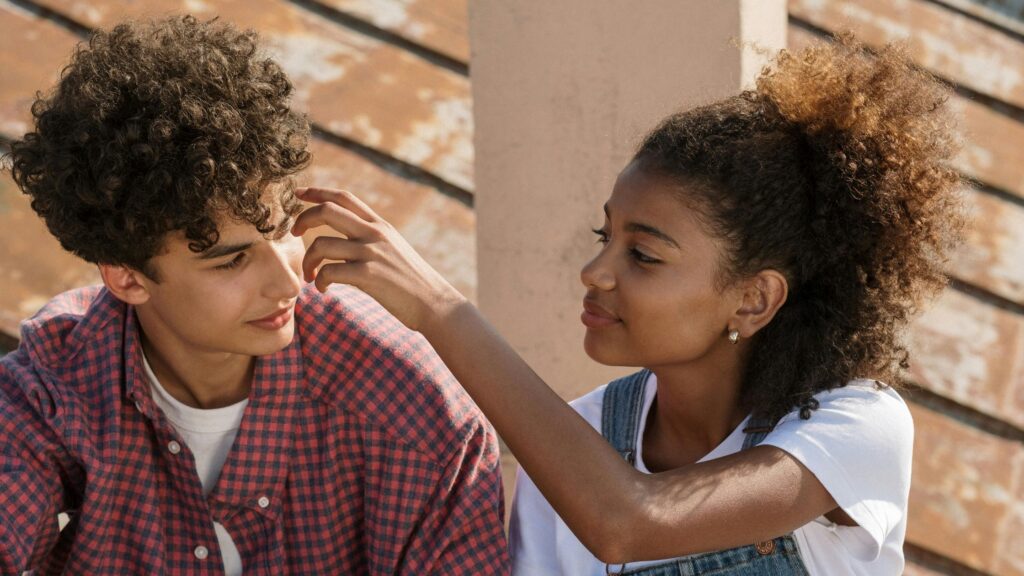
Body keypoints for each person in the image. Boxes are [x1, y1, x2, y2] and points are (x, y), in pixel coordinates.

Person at [291, 37, 963, 575]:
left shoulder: (854, 427)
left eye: (643, 256)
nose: (594, 273)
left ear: (754, 298)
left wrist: (441, 310)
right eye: (603, 237)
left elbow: (628, 523)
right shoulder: (577, 445)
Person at [0, 16, 509, 575]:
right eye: (233, 260)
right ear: (127, 278)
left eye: (285, 228)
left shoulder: (414, 411)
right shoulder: (56, 381)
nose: (290, 282)